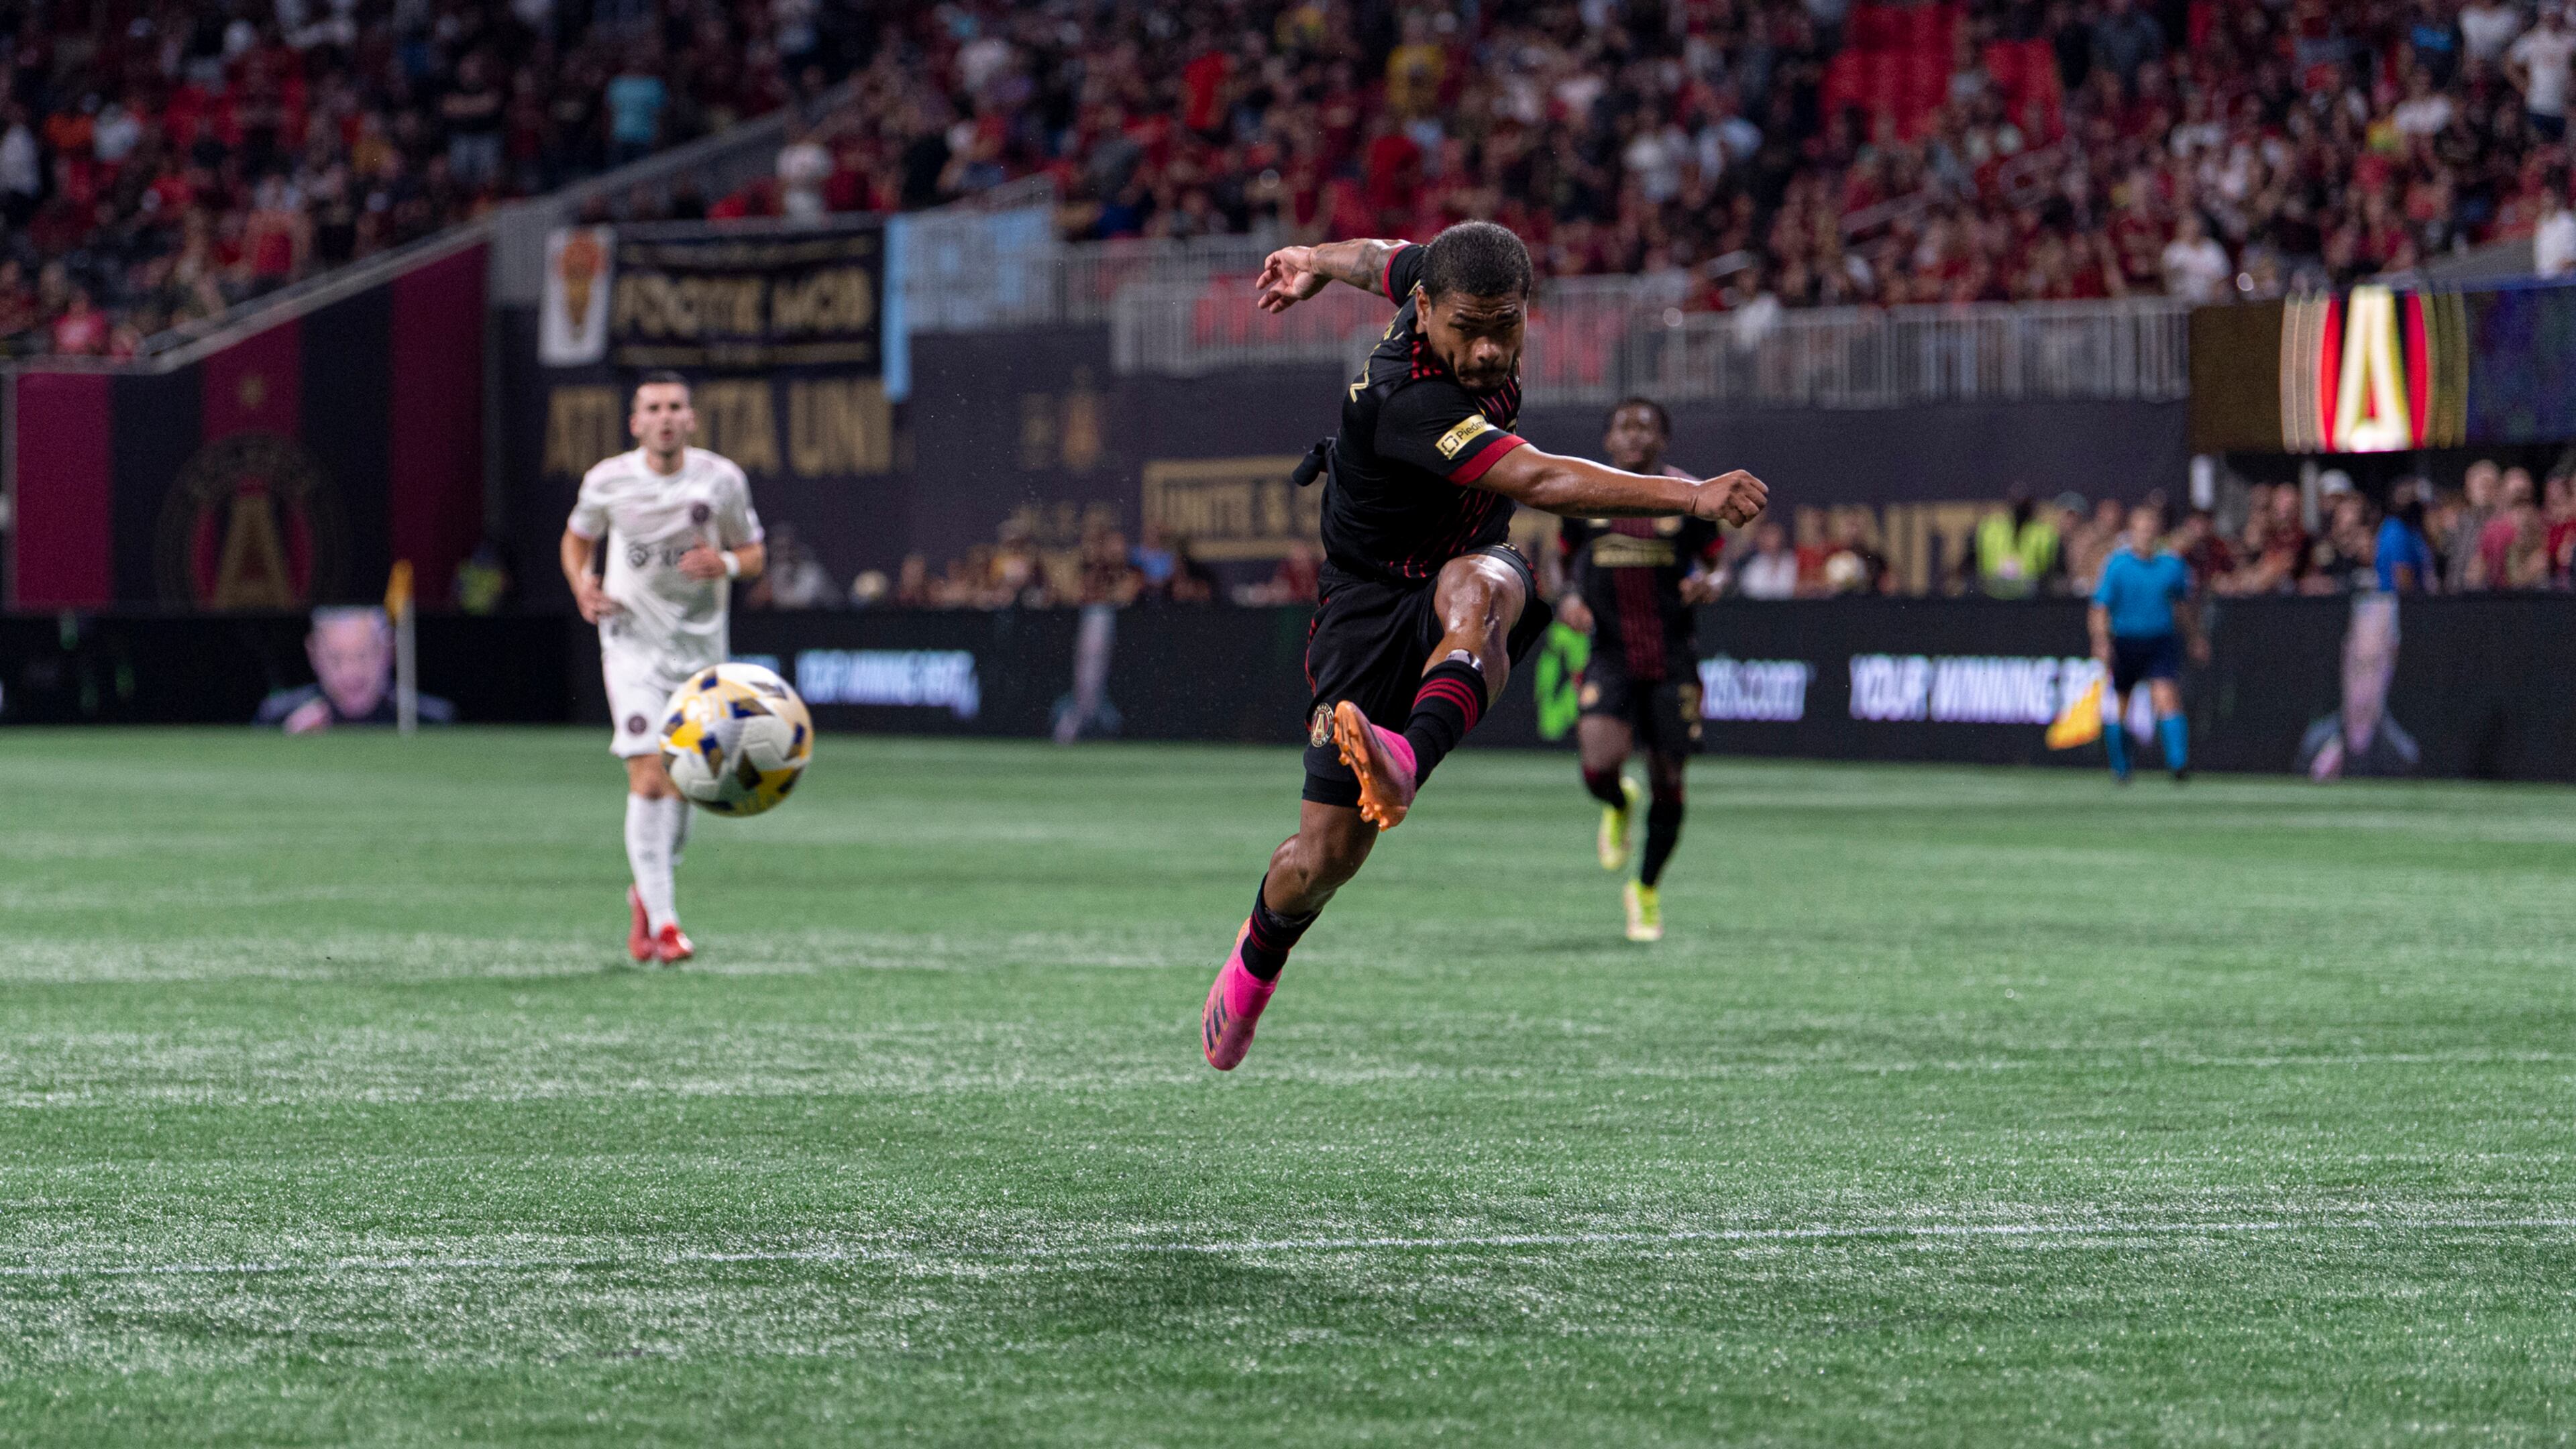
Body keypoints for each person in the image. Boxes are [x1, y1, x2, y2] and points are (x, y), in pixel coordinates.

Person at [1200, 223, 1767, 1070]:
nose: (1490, 350)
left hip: (1459, 566)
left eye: (1508, 327)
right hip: (1364, 604)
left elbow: (1376, 258)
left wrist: (1313, 262)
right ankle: (1257, 957)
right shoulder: (1411, 398)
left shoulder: (1436, 279)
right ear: (1426, 313)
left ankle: (1404, 758)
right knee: (1322, 860)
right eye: (1470, 329)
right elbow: (1539, 479)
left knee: (1491, 587)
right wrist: (1688, 498)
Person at [559, 372, 767, 965]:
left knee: (686, 784)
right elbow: (577, 540)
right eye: (653, 408)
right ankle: (669, 924)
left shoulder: (721, 480)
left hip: (700, 654)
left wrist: (724, 561)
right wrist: (583, 583)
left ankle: (647, 895)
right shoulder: (608, 481)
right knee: (648, 774)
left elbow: (754, 556)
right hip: (629, 645)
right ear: (636, 423)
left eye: (676, 406)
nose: (666, 417)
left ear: (691, 419)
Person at [1554, 398, 1722, 943]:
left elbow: (1716, 566)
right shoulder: (1583, 496)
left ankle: (1645, 889)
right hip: (1611, 653)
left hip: (1673, 657)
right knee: (1598, 767)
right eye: (1624, 428)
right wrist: (1571, 599)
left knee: (1670, 783)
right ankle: (1619, 802)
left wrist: (1709, 584)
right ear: (1608, 441)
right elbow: (1565, 567)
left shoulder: (1690, 496)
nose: (1634, 437)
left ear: (1663, 440)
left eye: (1645, 428)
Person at [2088, 501, 2206, 784]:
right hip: (2126, 642)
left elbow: (2183, 606)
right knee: (2121, 705)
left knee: (2167, 697)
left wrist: (2194, 637)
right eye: (2140, 529)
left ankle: (2178, 764)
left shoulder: (2171, 565)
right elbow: (2100, 607)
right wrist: (2101, 641)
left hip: (2160, 641)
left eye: (2151, 529)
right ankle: (2121, 767)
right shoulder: (2118, 565)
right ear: (2132, 531)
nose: (2146, 534)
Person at [255, 606, 455, 731]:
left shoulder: (430, 721)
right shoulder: (277, 720)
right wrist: (286, 749)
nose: (350, 672)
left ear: (388, 651)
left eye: (363, 656)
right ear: (313, 654)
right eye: (336, 659)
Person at [2299, 594, 2419, 779]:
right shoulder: (2316, 744)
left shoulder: (2402, 755)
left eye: (2373, 666)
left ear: (2390, 666)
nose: (2363, 681)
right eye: (2357, 665)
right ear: (2344, 657)